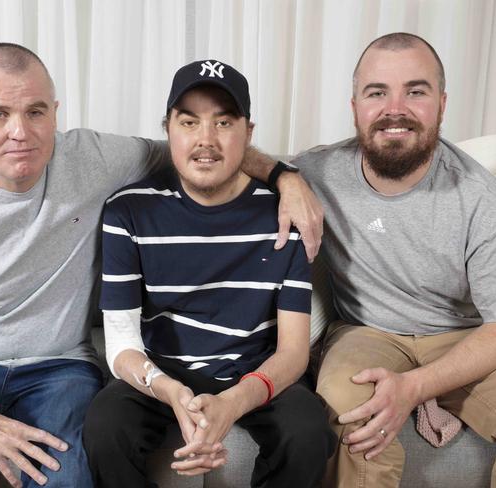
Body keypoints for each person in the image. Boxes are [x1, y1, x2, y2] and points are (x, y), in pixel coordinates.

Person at [0, 44, 322, 488]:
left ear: (55, 113)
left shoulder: (93, 159)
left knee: (68, 481)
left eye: (35, 112)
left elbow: (199, 151)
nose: (20, 132)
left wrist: (285, 175)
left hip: (58, 368)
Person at [83, 60, 336, 488]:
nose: (206, 140)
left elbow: (294, 352)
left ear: (248, 134)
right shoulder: (128, 210)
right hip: (160, 370)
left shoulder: (284, 213)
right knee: (105, 428)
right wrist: (166, 389)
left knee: (308, 431)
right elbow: (122, 345)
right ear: (168, 129)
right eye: (189, 122)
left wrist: (233, 403)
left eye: (223, 122)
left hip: (253, 368)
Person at [293, 32, 496, 487]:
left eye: (415, 92)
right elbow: (241, 159)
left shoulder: (479, 198)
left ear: (441, 103)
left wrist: (415, 387)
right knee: (349, 405)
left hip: (462, 336)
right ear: (355, 105)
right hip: (368, 331)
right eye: (377, 92)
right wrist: (284, 181)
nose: (394, 108)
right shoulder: (318, 171)